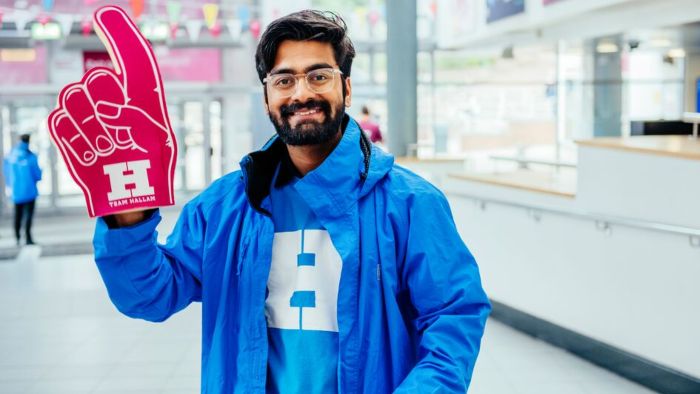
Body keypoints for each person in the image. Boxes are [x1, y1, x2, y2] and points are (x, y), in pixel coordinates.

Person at [93, 10, 490, 393]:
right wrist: (128, 209)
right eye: (283, 80)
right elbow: (150, 296)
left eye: (319, 75)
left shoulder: (410, 206)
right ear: (266, 97)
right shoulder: (223, 208)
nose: (302, 93)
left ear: (346, 88)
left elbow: (452, 316)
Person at [4, 134, 42, 246]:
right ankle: (28, 238)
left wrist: (11, 185)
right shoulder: (31, 156)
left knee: (17, 215)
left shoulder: (10, 156)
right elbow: (37, 175)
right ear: (29, 141)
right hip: (30, 191)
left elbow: (6, 173)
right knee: (28, 215)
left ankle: (17, 238)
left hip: (16, 191)